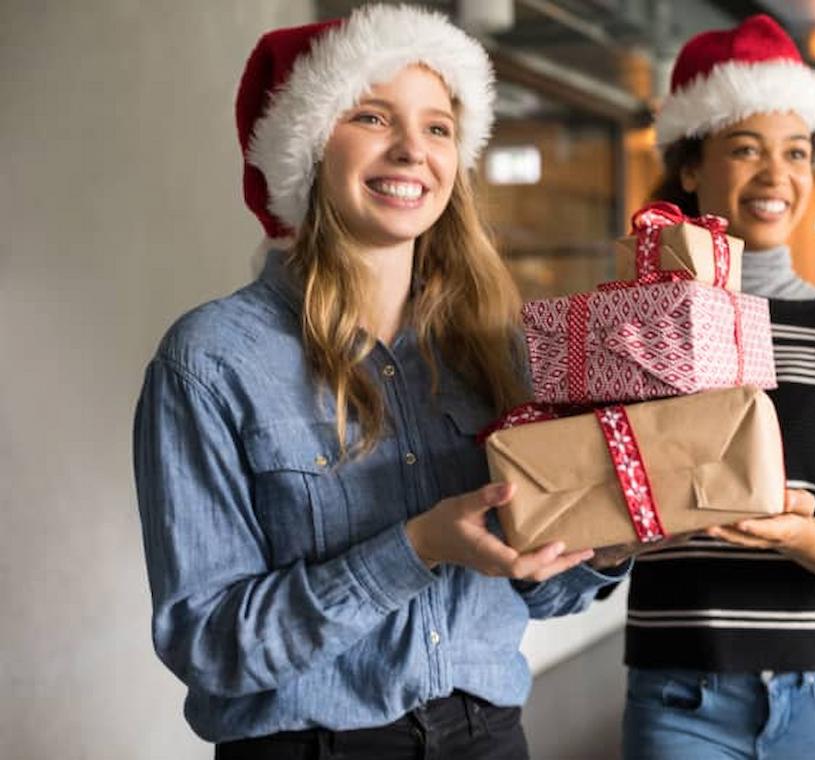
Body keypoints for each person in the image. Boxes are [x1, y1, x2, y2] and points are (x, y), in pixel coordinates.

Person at [132, 6, 626, 758]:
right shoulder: (211, 361)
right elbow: (209, 644)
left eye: (437, 127)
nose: (411, 151)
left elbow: (540, 582)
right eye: (371, 116)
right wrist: (417, 546)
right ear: (306, 147)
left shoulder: (495, 347)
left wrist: (611, 541)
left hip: (488, 738)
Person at [620, 15, 815, 760]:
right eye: (745, 149)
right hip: (679, 688)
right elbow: (598, 510)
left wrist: (796, 533)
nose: (775, 175)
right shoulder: (635, 326)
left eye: (795, 153)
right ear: (690, 167)